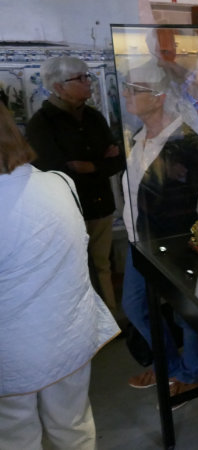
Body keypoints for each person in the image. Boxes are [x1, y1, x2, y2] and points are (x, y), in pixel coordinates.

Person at [0, 101, 120, 449]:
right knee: (74, 425)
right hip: (68, 336)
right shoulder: (59, 183)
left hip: (13, 352)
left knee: (15, 436)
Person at [120, 67, 198, 402]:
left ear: (158, 97)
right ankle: (170, 365)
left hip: (172, 243)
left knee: (186, 309)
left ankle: (192, 372)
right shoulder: (137, 136)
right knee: (135, 304)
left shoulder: (186, 142)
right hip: (138, 239)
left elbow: (188, 204)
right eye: (127, 87)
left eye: (134, 88)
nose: (126, 94)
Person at [27, 55, 125, 317]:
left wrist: (89, 166)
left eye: (87, 76)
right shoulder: (41, 124)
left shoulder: (94, 117)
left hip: (101, 207)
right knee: (76, 270)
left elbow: (118, 161)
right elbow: (56, 173)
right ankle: (86, 323)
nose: (88, 82)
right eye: (80, 78)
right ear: (58, 86)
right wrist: (100, 163)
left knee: (102, 265)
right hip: (69, 211)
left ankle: (110, 322)